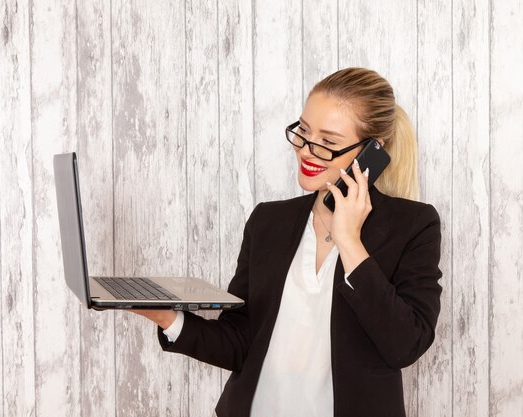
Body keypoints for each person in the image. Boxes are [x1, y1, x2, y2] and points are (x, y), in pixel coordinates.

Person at [131, 67, 443, 417]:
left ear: (372, 151)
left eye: (328, 143)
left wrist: (349, 240)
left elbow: (405, 345)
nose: (307, 151)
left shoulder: (413, 225)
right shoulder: (268, 221)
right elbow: (241, 340)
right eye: (304, 132)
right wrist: (165, 316)